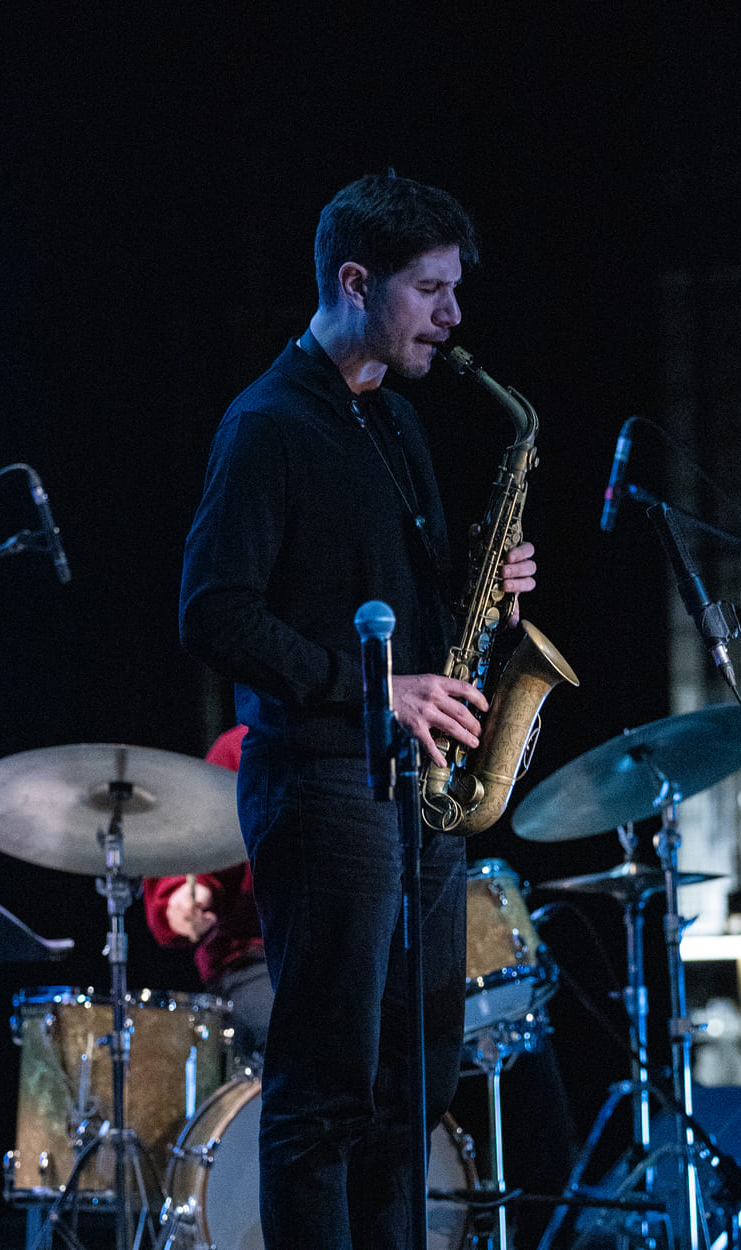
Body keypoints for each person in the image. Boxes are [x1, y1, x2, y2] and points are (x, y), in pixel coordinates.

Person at [178, 171, 538, 1249]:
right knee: (326, 1095)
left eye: (453, 289)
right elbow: (213, 611)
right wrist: (372, 687)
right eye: (429, 289)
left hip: (414, 792)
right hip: (326, 782)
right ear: (353, 281)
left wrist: (487, 590)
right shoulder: (267, 424)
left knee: (411, 1092)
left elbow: (404, 604)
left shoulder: (392, 420)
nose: (452, 315)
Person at [142, 724, 273, 1059]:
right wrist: (185, 894)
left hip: (361, 953)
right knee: (299, 1034)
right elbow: (200, 851)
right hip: (257, 960)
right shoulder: (241, 747)